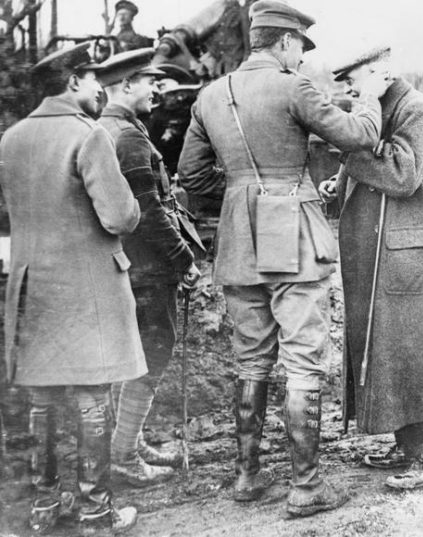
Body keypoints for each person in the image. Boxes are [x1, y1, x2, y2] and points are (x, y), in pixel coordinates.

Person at [177, 0, 388, 517]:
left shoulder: (209, 95)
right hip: (293, 238)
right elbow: (360, 136)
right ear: (287, 42)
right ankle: (306, 485)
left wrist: (240, 196)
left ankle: (248, 476)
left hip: (238, 241)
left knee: (250, 360)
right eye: (299, 47)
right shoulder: (293, 86)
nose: (299, 56)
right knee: (302, 360)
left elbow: (192, 175)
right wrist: (373, 98)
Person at [0, 42, 146, 534]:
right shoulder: (90, 136)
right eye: (92, 78)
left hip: (31, 290)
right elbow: (120, 215)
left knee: (41, 398)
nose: (100, 87)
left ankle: (43, 510)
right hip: (87, 290)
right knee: (91, 397)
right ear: (72, 83)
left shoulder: (11, 138)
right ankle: (96, 512)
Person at [320, 45, 423, 490]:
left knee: (412, 352)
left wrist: (349, 158)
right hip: (385, 257)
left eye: (354, 76)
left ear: (381, 70)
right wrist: (341, 181)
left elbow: (403, 175)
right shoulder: (379, 107)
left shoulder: (415, 109)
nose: (348, 85)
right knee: (388, 350)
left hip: (412, 258)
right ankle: (407, 444)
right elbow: (373, 158)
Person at [98, 48, 202, 488]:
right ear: (126, 86)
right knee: (152, 354)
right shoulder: (128, 137)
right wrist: (184, 257)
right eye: (148, 82)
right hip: (149, 267)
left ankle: (128, 442)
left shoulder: (113, 129)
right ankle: (123, 456)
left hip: (130, 266)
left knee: (134, 356)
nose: (157, 90)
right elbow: (150, 211)